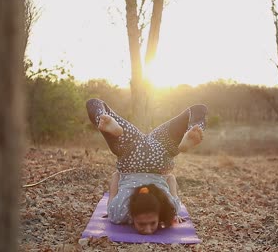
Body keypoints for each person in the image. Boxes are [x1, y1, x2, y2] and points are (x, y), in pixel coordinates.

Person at [86, 98, 207, 235]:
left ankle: (191, 129)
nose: (148, 230)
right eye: (150, 223)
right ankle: (106, 122)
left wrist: (167, 178)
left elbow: (171, 179)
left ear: (132, 214)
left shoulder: (171, 209)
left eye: (143, 224)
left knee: (198, 110)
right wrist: (120, 176)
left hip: (156, 154)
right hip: (135, 153)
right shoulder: (117, 214)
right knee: (94, 104)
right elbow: (115, 177)